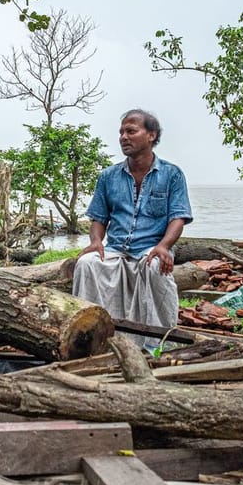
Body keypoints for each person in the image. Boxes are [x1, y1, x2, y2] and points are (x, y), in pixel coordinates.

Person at [72, 108, 193, 350]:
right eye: (121, 132)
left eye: (131, 131)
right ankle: (89, 338)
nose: (123, 137)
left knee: (157, 266)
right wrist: (96, 241)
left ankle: (159, 344)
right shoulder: (108, 176)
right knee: (86, 264)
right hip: (116, 249)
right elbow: (99, 218)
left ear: (151, 135)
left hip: (150, 248)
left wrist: (164, 246)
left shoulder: (172, 174)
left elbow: (178, 217)